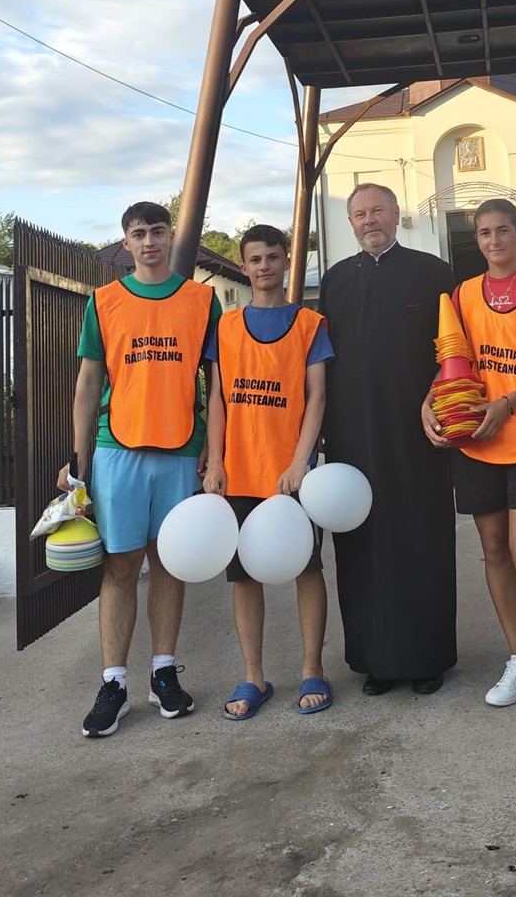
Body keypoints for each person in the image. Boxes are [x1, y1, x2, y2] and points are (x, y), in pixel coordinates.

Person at [60, 201, 221, 738]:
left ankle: (163, 674)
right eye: (138, 233)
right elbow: (88, 381)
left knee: (170, 563)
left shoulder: (202, 300)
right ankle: (113, 684)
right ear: (125, 242)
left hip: (181, 449)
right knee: (120, 567)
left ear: (171, 236)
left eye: (157, 231)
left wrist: (214, 447)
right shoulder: (104, 300)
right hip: (117, 447)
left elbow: (217, 382)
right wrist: (78, 457)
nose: (149, 241)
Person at [422, 199, 516, 731]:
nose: (493, 240)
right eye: (484, 233)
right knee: (494, 550)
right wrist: (430, 401)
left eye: (502, 230)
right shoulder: (463, 294)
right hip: (475, 438)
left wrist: (507, 403)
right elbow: (452, 360)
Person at [318, 182, 456, 694]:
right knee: (362, 543)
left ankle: (426, 658)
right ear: (350, 223)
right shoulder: (334, 280)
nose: (369, 220)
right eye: (359, 214)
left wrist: (440, 400)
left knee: (421, 538)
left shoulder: (433, 272)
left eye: (378, 210)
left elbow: (453, 349)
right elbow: (320, 363)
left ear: (397, 214)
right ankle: (374, 659)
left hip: (418, 432)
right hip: (352, 435)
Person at [202, 224, 334, 718]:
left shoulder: (309, 324)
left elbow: (317, 397)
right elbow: (217, 399)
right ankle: (253, 676)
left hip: (292, 474)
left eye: (273, 257)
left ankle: (312, 669)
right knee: (244, 576)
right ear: (244, 267)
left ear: (286, 261)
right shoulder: (226, 326)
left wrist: (301, 461)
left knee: (307, 568)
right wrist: (216, 462)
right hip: (239, 472)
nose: (264, 267)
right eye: (255, 260)